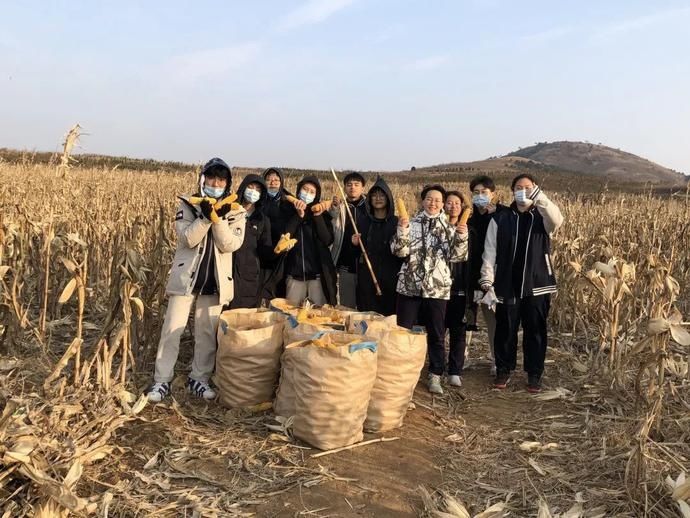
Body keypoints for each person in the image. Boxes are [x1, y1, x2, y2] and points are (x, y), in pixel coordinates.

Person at [147, 158, 246, 402]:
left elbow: (230, 244)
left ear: (228, 184)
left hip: (215, 281)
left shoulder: (236, 212)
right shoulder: (187, 206)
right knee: (172, 329)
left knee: (206, 333)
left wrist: (219, 218)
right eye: (211, 178)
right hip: (186, 279)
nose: (215, 183)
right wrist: (204, 217)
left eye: (221, 180)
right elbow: (187, 239)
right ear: (202, 180)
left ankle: (198, 379)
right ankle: (161, 381)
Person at [480, 174, 563, 393]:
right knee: (505, 328)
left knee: (535, 329)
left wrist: (540, 197)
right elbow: (490, 252)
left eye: (528, 187)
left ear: (536, 189)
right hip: (507, 283)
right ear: (512, 191)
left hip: (538, 283)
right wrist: (487, 280)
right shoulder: (501, 219)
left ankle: (534, 374)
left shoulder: (542, 217)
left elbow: (557, 220)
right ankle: (504, 369)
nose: (523, 191)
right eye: (519, 187)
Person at [392, 185, 469, 395]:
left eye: (437, 200)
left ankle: (435, 374)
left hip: (437, 288)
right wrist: (402, 230)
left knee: (436, 334)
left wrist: (462, 237)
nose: (433, 203)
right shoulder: (412, 223)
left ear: (442, 203)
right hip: (409, 286)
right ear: (422, 201)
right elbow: (399, 251)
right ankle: (402, 373)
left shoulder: (450, 228)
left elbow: (457, 256)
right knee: (404, 332)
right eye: (429, 198)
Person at [467, 175, 508, 376]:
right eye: (476, 193)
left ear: (493, 194)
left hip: (495, 275)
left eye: (484, 192)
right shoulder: (469, 219)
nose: (480, 196)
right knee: (468, 317)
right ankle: (461, 357)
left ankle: (496, 359)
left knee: (494, 320)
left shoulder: (503, 215)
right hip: (472, 275)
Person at [284, 176, 337, 306]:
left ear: (316, 195)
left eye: (312, 192)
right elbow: (285, 235)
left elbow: (327, 240)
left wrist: (318, 216)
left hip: (317, 277)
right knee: (292, 318)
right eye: (305, 189)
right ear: (298, 190)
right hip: (294, 276)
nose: (307, 194)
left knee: (318, 316)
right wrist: (298, 215)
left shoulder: (323, 214)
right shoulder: (288, 210)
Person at [352, 176, 401, 315]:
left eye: (382, 195)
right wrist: (354, 244)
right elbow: (355, 254)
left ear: (388, 199)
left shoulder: (397, 223)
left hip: (390, 279)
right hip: (367, 279)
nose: (378, 198)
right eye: (374, 195)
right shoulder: (362, 222)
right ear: (369, 199)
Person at [230, 174, 274, 309]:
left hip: (250, 279)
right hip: (228, 274)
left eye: (258, 189)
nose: (253, 191)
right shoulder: (230, 212)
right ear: (243, 188)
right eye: (250, 187)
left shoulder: (262, 220)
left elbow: (264, 252)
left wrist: (276, 251)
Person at [443, 191, 470, 387]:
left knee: (458, 331)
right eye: (449, 203)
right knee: (437, 329)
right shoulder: (437, 227)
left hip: (461, 286)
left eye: (457, 203)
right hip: (439, 287)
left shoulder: (471, 230)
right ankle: (435, 365)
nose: (453, 206)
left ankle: (455, 370)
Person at [329, 171, 367, 309]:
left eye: (357, 184)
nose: (353, 187)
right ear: (344, 187)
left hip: (366, 267)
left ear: (363, 187)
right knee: (347, 308)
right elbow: (331, 225)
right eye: (349, 185)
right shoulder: (340, 206)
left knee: (366, 307)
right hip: (346, 264)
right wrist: (334, 209)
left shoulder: (370, 206)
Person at [261, 167, 294, 299]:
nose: (272, 182)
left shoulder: (289, 202)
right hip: (261, 253)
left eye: (276, 180)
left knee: (278, 293)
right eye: (269, 180)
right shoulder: (259, 200)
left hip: (282, 254)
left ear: (281, 182)